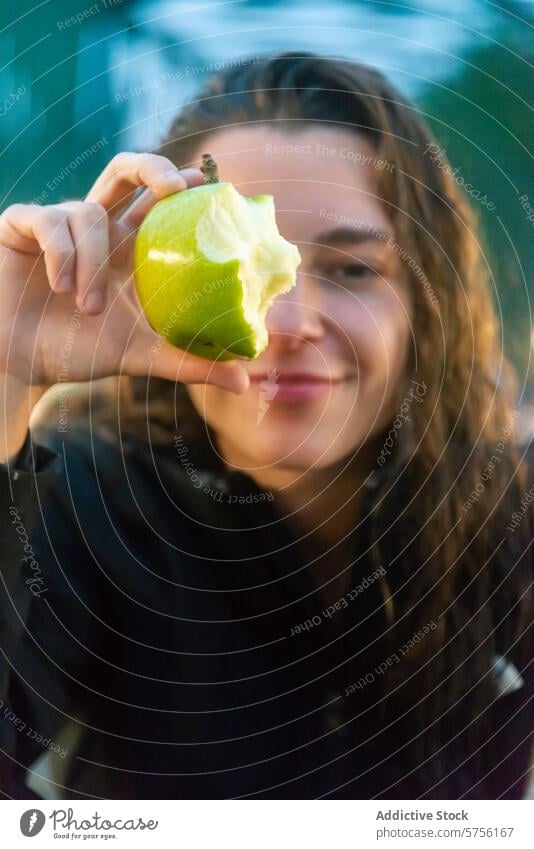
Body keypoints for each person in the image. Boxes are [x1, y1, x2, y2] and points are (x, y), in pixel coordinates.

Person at [0, 51, 531, 800]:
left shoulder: (512, 513)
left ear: (425, 298)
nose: (288, 321)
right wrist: (6, 381)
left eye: (352, 270)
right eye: (234, 265)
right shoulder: (82, 506)